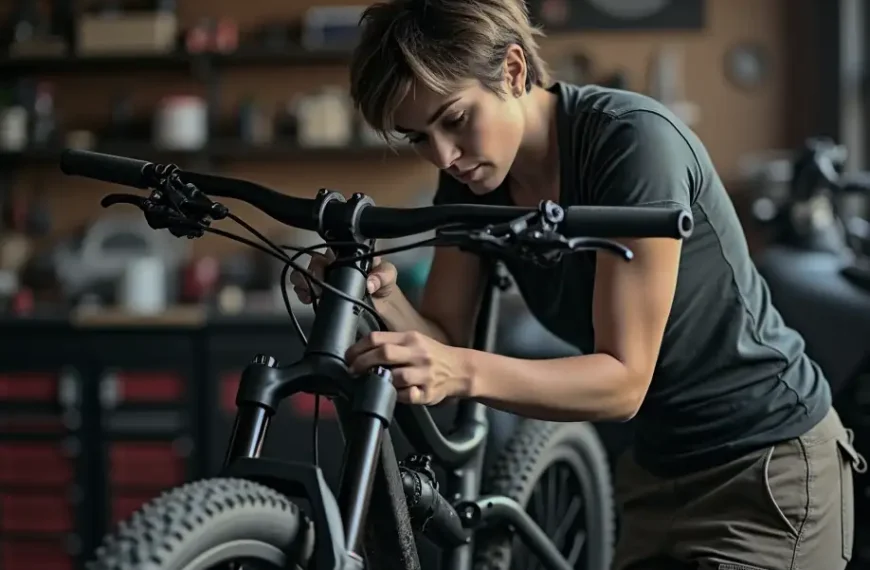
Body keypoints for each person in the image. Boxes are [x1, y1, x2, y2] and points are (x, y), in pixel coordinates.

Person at [290, 0, 866, 568]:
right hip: (654, 473)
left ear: (513, 71)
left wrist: (459, 370)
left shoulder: (632, 144)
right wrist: (377, 294)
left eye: (456, 119)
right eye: (418, 137)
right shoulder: (472, 181)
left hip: (765, 468)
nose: (444, 156)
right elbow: (443, 334)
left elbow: (622, 382)